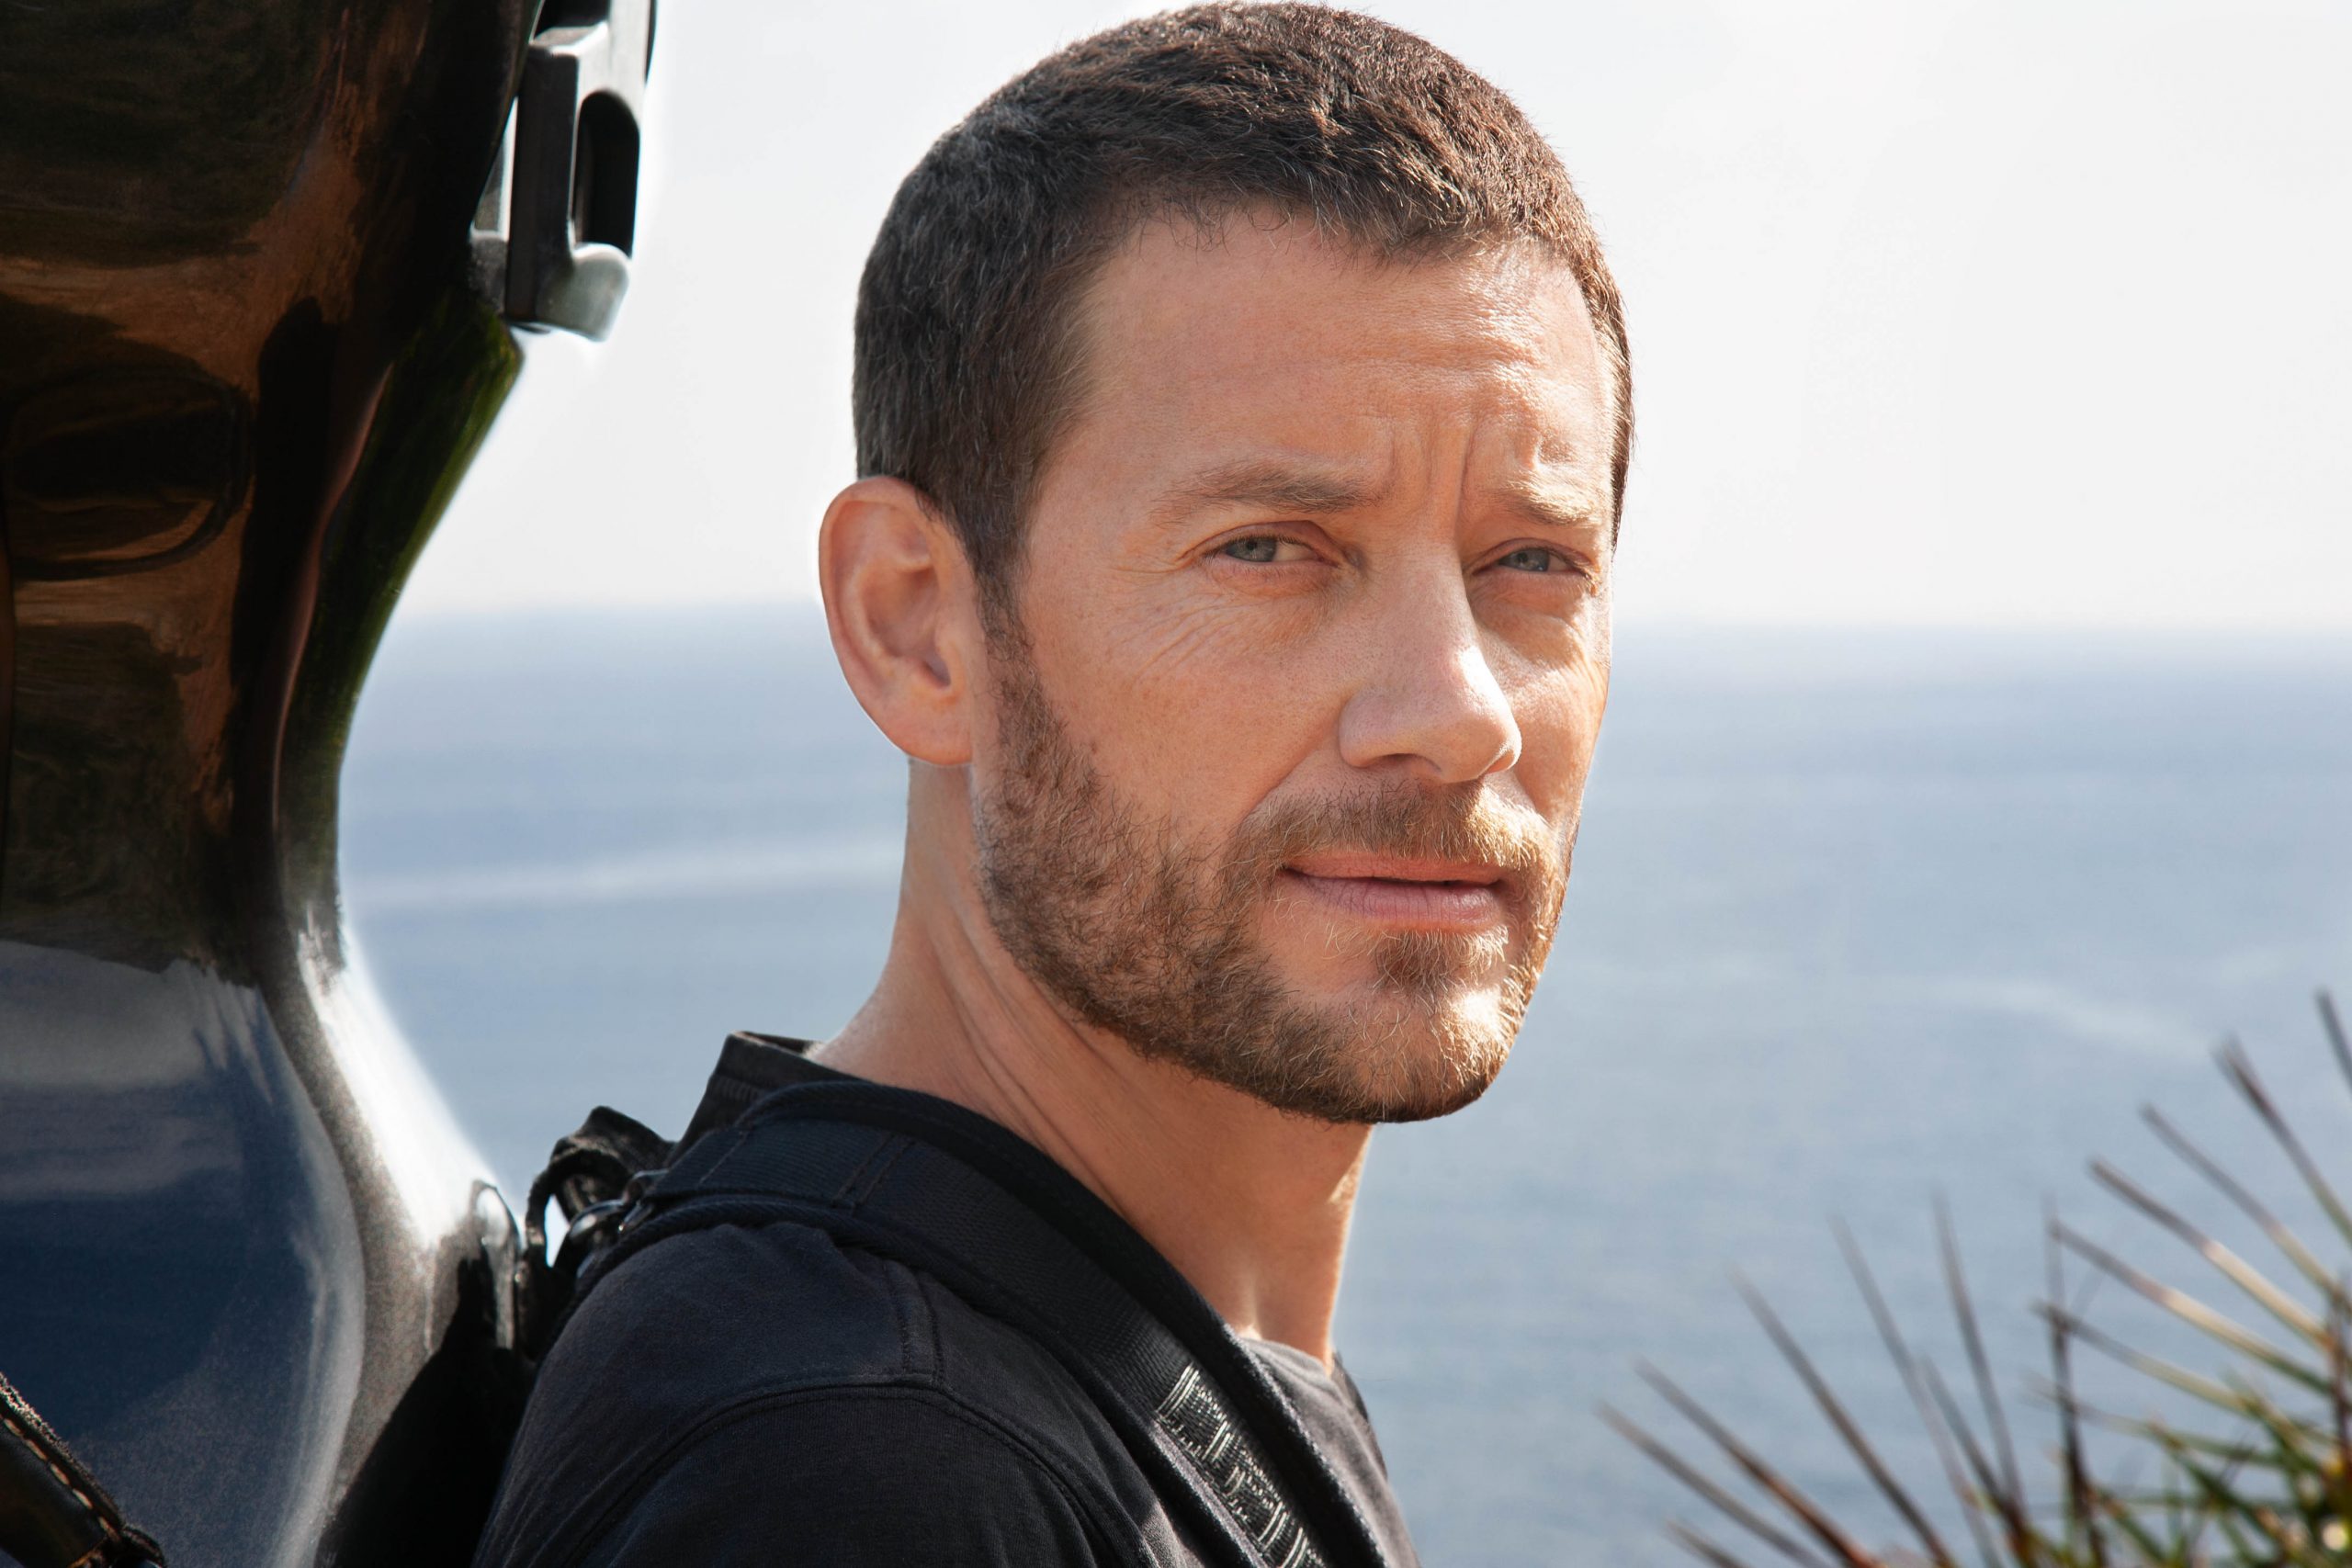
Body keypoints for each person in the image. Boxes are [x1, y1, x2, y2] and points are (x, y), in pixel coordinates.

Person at [474, 4, 1628, 1563]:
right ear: (919, 626)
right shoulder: (861, 1477)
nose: (1459, 714)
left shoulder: (1118, 1343)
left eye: (1533, 563)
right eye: (1269, 550)